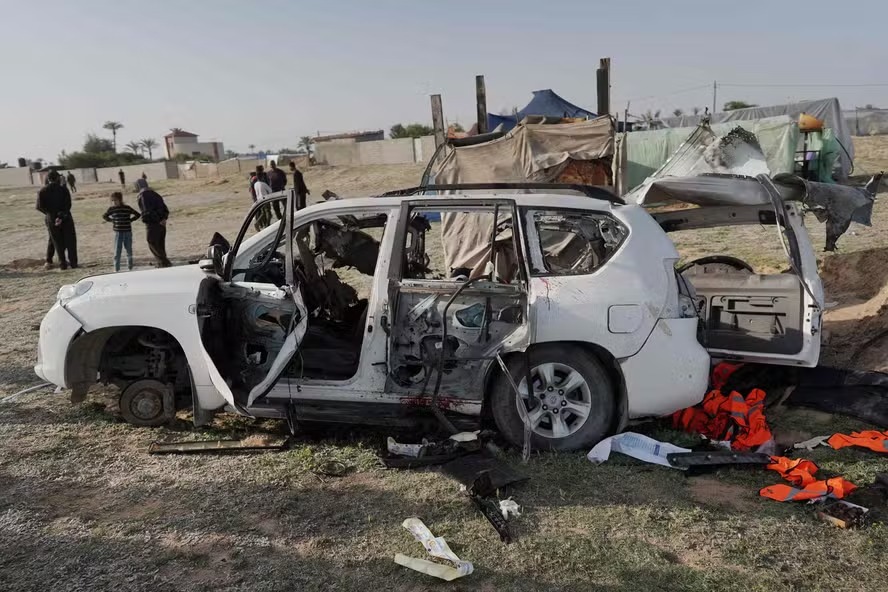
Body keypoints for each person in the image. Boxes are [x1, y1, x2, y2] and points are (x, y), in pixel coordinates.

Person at [36, 170, 78, 270]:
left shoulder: (42, 191)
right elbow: (68, 204)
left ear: (48, 179)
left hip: (51, 219)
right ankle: (73, 263)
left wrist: (49, 214)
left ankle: (62, 264)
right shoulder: (63, 189)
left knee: (57, 242)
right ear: (58, 178)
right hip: (65, 217)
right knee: (70, 241)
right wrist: (62, 214)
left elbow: (39, 207)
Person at [136, 178, 172, 268]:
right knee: (160, 243)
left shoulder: (143, 195)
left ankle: (163, 262)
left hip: (152, 223)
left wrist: (157, 220)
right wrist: (163, 219)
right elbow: (165, 209)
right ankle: (163, 263)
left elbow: (147, 211)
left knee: (152, 242)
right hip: (162, 223)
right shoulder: (155, 194)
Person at [102, 191, 140, 272]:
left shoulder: (127, 208)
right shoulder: (112, 209)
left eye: (115, 200)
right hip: (118, 233)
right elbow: (104, 216)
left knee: (129, 250)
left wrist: (130, 220)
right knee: (117, 252)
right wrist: (112, 220)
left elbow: (137, 214)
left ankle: (130, 267)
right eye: (112, 200)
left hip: (127, 232)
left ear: (120, 199)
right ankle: (116, 269)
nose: (114, 202)